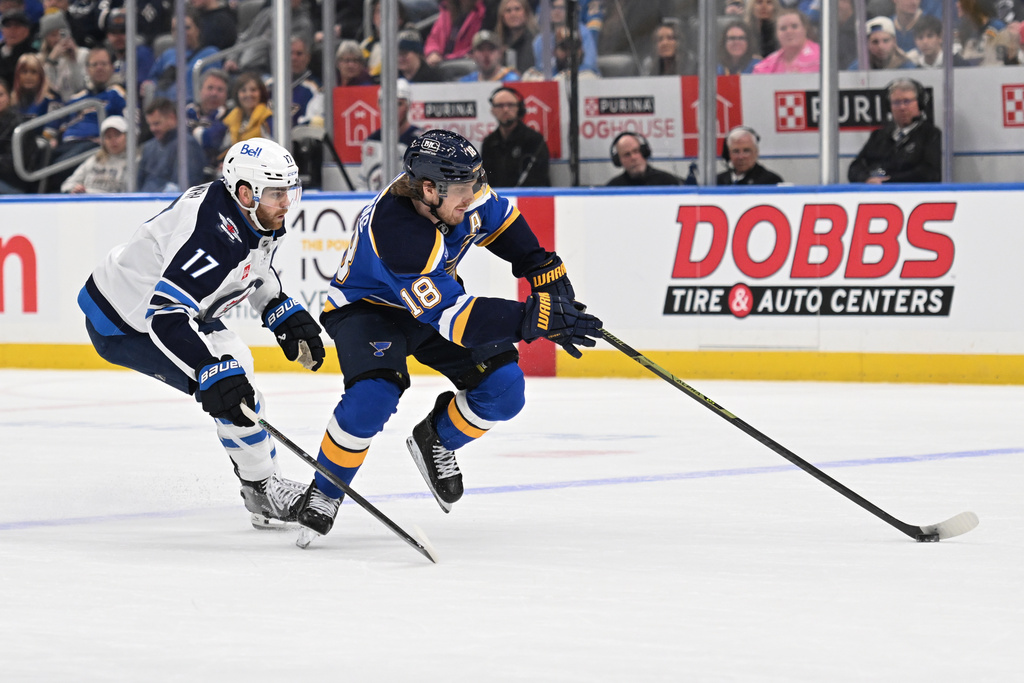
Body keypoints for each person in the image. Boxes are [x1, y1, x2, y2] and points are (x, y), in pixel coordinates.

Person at [291, 129, 602, 547]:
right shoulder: (399, 234)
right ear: (427, 189)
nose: (472, 195)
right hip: (369, 311)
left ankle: (435, 437)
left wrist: (540, 265)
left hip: (432, 305)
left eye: (475, 183)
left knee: (505, 390)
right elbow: (456, 320)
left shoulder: (460, 195)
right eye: (462, 189)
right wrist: (534, 318)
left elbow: (501, 219)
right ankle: (325, 491)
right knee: (373, 397)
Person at [77, 137, 324, 531]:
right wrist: (207, 369)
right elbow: (165, 316)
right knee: (234, 394)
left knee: (239, 367)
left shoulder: (249, 213)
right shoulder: (212, 235)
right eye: (277, 193)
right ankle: (262, 490)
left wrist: (277, 307)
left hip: (177, 309)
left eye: (288, 192)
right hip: (125, 321)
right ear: (246, 192)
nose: (286, 203)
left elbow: (249, 264)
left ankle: (260, 482)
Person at [847, 78, 941, 183]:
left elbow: (929, 173)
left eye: (907, 101)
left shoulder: (931, 134)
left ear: (919, 104)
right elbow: (855, 168)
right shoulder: (879, 135)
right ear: (889, 107)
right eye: (896, 102)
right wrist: (867, 179)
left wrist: (888, 181)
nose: (902, 107)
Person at [356, 77, 422, 191]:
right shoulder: (372, 141)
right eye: (385, 103)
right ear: (378, 105)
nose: (391, 110)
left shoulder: (421, 142)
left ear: (408, 106)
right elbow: (363, 182)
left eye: (398, 104)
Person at [142, 8, 220, 104]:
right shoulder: (167, 54)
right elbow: (153, 79)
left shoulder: (210, 54)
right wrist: (148, 85)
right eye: (175, 29)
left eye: (186, 28)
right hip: (162, 108)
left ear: (198, 29)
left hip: (191, 108)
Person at [480, 85, 550, 187]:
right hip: (498, 198)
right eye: (500, 105)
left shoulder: (534, 140)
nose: (505, 110)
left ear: (519, 108)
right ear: (493, 111)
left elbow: (539, 179)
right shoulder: (489, 143)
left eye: (510, 105)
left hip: (529, 199)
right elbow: (485, 179)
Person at [137, 97, 205, 192]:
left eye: (157, 123)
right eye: (150, 125)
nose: (152, 129)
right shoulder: (148, 147)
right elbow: (138, 184)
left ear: (172, 118)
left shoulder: (187, 146)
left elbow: (183, 187)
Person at [60, 113, 128, 193]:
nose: (113, 140)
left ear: (127, 136)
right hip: (86, 202)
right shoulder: (95, 159)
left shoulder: (136, 161)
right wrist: (74, 188)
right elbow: (67, 184)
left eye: (117, 135)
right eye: (108, 137)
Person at [37, 10, 88, 102]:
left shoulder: (83, 54)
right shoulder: (39, 60)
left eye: (61, 34)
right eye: (53, 35)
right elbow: (48, 90)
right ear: (46, 39)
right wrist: (51, 61)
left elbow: (81, 87)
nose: (57, 38)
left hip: (79, 104)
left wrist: (73, 60)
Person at [219, 72, 272, 159]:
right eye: (243, 90)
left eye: (253, 90)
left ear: (261, 93)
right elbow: (225, 148)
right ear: (237, 94)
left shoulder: (267, 118)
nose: (248, 94)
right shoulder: (232, 117)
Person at [186, 68, 229, 175]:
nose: (214, 93)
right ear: (200, 90)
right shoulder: (187, 111)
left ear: (226, 95)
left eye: (220, 90)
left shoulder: (230, 116)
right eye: (210, 88)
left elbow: (209, 139)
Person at [10, 53, 61, 141]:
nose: (28, 76)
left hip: (41, 147)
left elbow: (51, 130)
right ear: (18, 76)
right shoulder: (12, 102)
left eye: (33, 72)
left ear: (41, 76)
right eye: (24, 72)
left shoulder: (51, 99)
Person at [752, 8, 820, 73]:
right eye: (783, 28)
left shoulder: (822, 57)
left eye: (794, 26)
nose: (789, 31)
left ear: (805, 29)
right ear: (776, 34)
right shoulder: (766, 66)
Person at [424, 0, 487, 66]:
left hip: (464, 65)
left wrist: (446, 59)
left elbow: (475, 48)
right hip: (440, 63)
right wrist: (433, 52)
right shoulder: (446, 9)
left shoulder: (483, 11)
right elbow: (433, 38)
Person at [605, 132, 682, 186]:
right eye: (627, 155)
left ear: (644, 152)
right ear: (619, 160)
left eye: (636, 151)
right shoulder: (613, 187)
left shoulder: (667, 182)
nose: (633, 158)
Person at [716, 126, 784, 185]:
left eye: (746, 151)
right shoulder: (718, 181)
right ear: (728, 154)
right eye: (736, 151)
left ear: (756, 152)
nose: (741, 157)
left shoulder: (771, 181)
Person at [0, 75, 32, 194]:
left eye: (0, 95)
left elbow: (16, 164)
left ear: (9, 96)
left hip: (14, 183)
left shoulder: (21, 126)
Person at [850, 16, 918, 69]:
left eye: (886, 40)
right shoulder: (858, 68)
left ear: (894, 41)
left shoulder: (907, 67)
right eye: (875, 42)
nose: (881, 46)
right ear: (867, 44)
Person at [495, 0, 537, 75]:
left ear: (526, 13)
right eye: (508, 10)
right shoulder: (497, 44)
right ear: (502, 16)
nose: (513, 14)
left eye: (517, 9)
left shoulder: (536, 40)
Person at [1, 9, 35, 88]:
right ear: (2, 30)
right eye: (8, 26)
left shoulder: (33, 55)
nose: (12, 31)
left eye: (17, 26)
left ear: (27, 31)